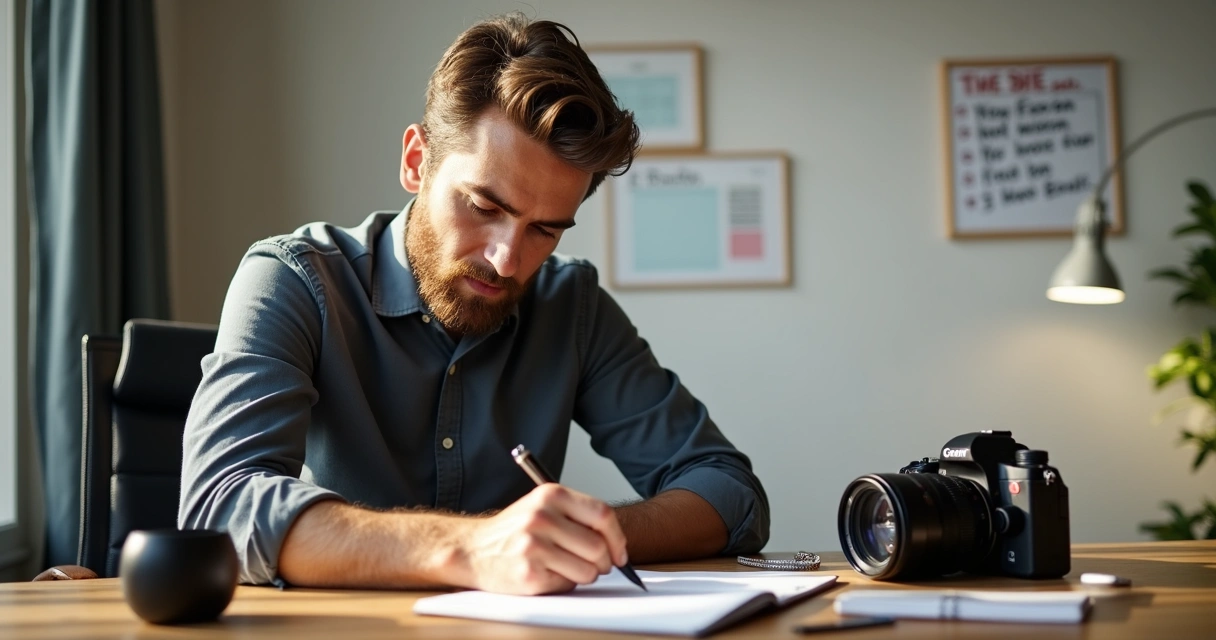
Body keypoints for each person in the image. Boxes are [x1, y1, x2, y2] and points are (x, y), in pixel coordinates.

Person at [178, 13, 769, 595]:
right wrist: (473, 548)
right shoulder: (293, 281)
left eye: (545, 229)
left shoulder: (572, 306)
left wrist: (583, 536)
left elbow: (730, 493)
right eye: (485, 208)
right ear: (416, 160)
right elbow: (219, 507)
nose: (507, 260)